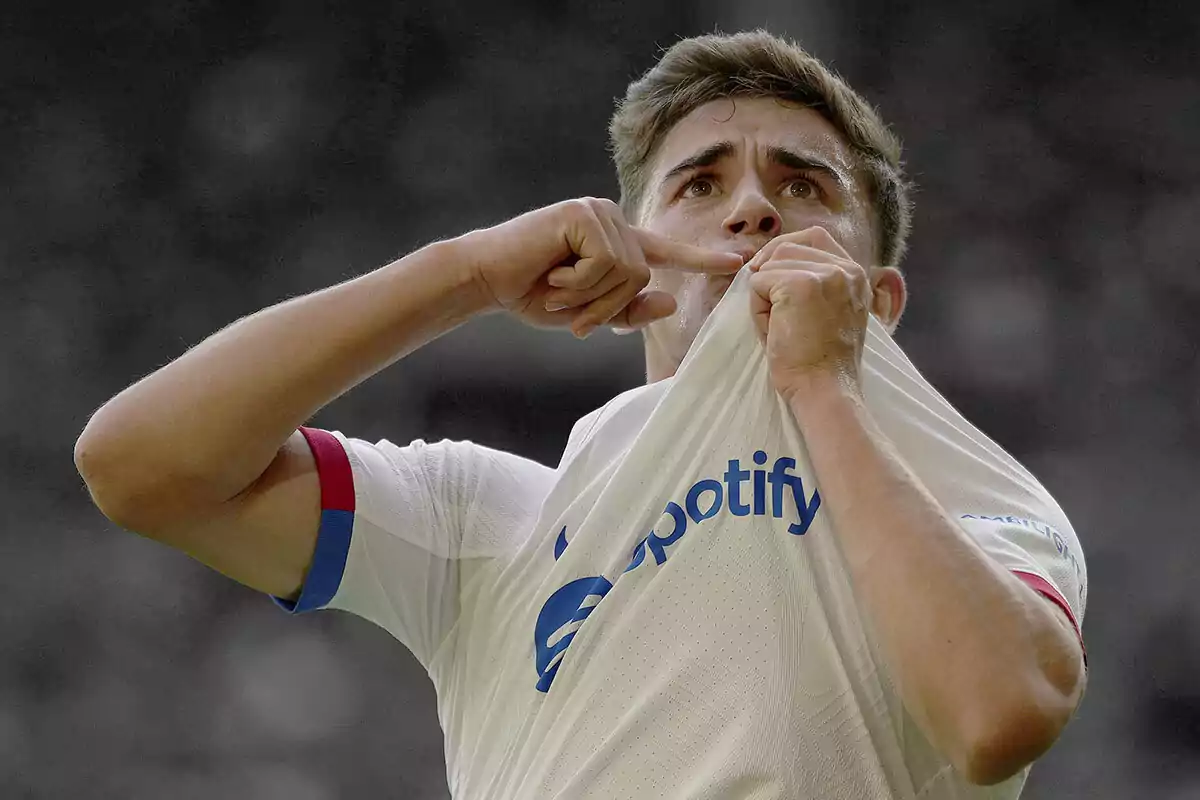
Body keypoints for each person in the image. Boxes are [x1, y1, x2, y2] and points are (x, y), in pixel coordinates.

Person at [74, 29, 1087, 799]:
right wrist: (465, 272)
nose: (751, 210)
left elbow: (999, 711)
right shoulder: (488, 518)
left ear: (880, 298)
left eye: (802, 184)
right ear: (640, 272)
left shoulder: (978, 496)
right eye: (701, 183)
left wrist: (821, 379)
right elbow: (140, 465)